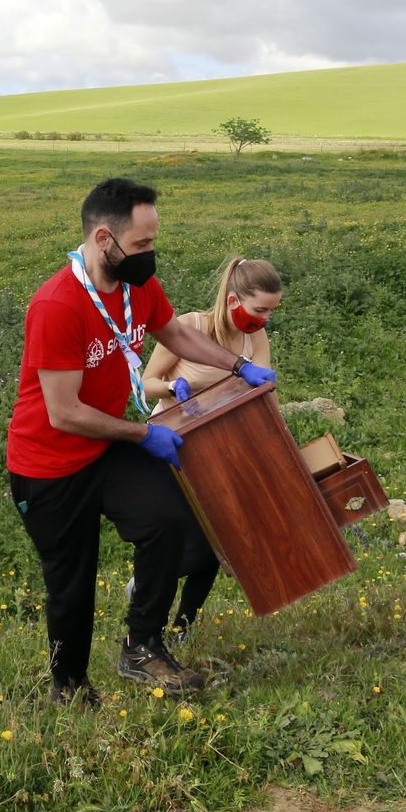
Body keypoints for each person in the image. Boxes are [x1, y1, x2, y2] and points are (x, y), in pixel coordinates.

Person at [4, 178, 276, 706]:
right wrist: (144, 433)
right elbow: (64, 412)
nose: (151, 254)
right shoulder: (57, 304)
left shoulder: (136, 287)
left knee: (168, 521)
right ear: (105, 238)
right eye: (143, 244)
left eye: (153, 241)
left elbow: (175, 334)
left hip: (103, 447)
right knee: (72, 581)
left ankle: (142, 646)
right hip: (49, 465)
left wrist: (239, 366)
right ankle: (70, 686)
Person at [130, 255, 284, 638]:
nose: (264, 319)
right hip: (177, 447)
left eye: (270, 311)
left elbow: (263, 393)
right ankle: (145, 589)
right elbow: (145, 382)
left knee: (221, 541)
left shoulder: (255, 337)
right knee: (187, 539)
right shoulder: (189, 326)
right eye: (259, 309)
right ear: (234, 302)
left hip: (227, 448)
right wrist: (171, 388)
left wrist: (274, 422)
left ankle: (184, 627)